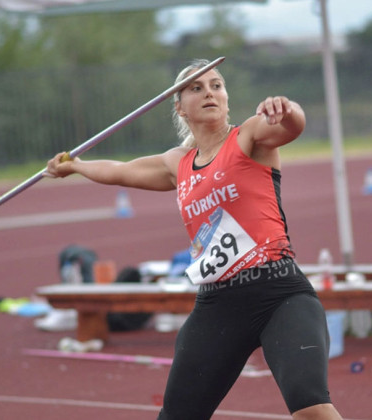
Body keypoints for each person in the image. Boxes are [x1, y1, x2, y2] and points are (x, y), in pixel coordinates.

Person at [45, 59, 343, 420]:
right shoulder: (178, 163)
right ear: (179, 106)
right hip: (217, 305)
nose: (209, 93)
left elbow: (292, 125)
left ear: (227, 98)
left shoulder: (249, 137)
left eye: (216, 85)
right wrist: (74, 166)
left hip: (279, 293)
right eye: (196, 88)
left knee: (309, 404)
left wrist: (286, 107)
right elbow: (121, 170)